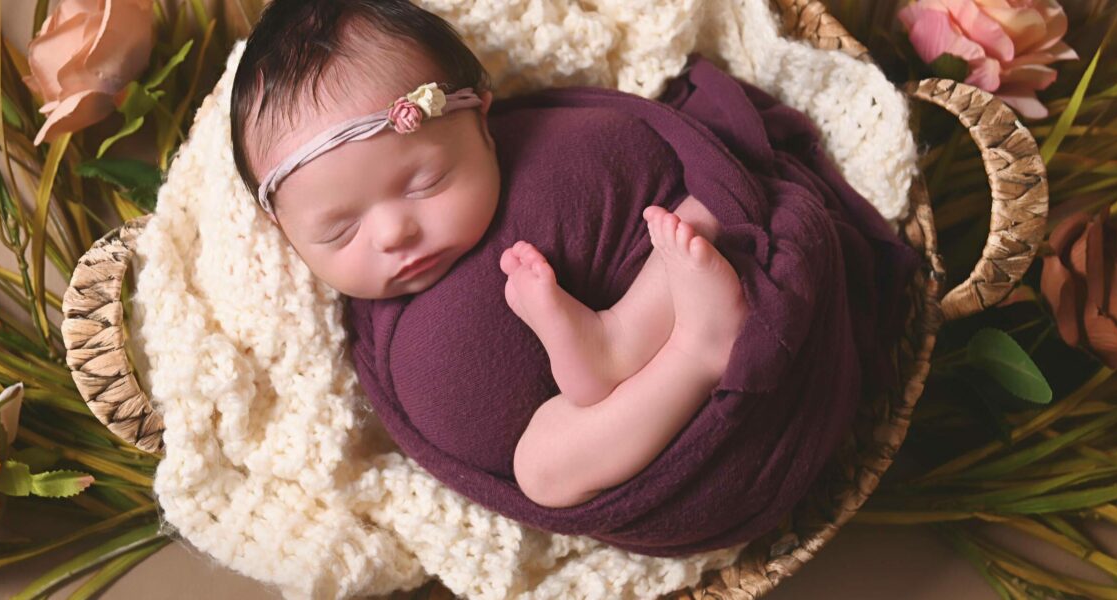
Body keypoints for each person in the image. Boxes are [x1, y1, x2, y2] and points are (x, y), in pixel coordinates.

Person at [230, 0, 747, 508]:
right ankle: (696, 354)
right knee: (541, 471)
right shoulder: (380, 340)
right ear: (285, 232)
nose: (393, 233)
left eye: (425, 182)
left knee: (705, 212)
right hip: (649, 440)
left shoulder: (550, 141)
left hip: (704, 305)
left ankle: (616, 341)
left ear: (480, 121)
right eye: (339, 230)